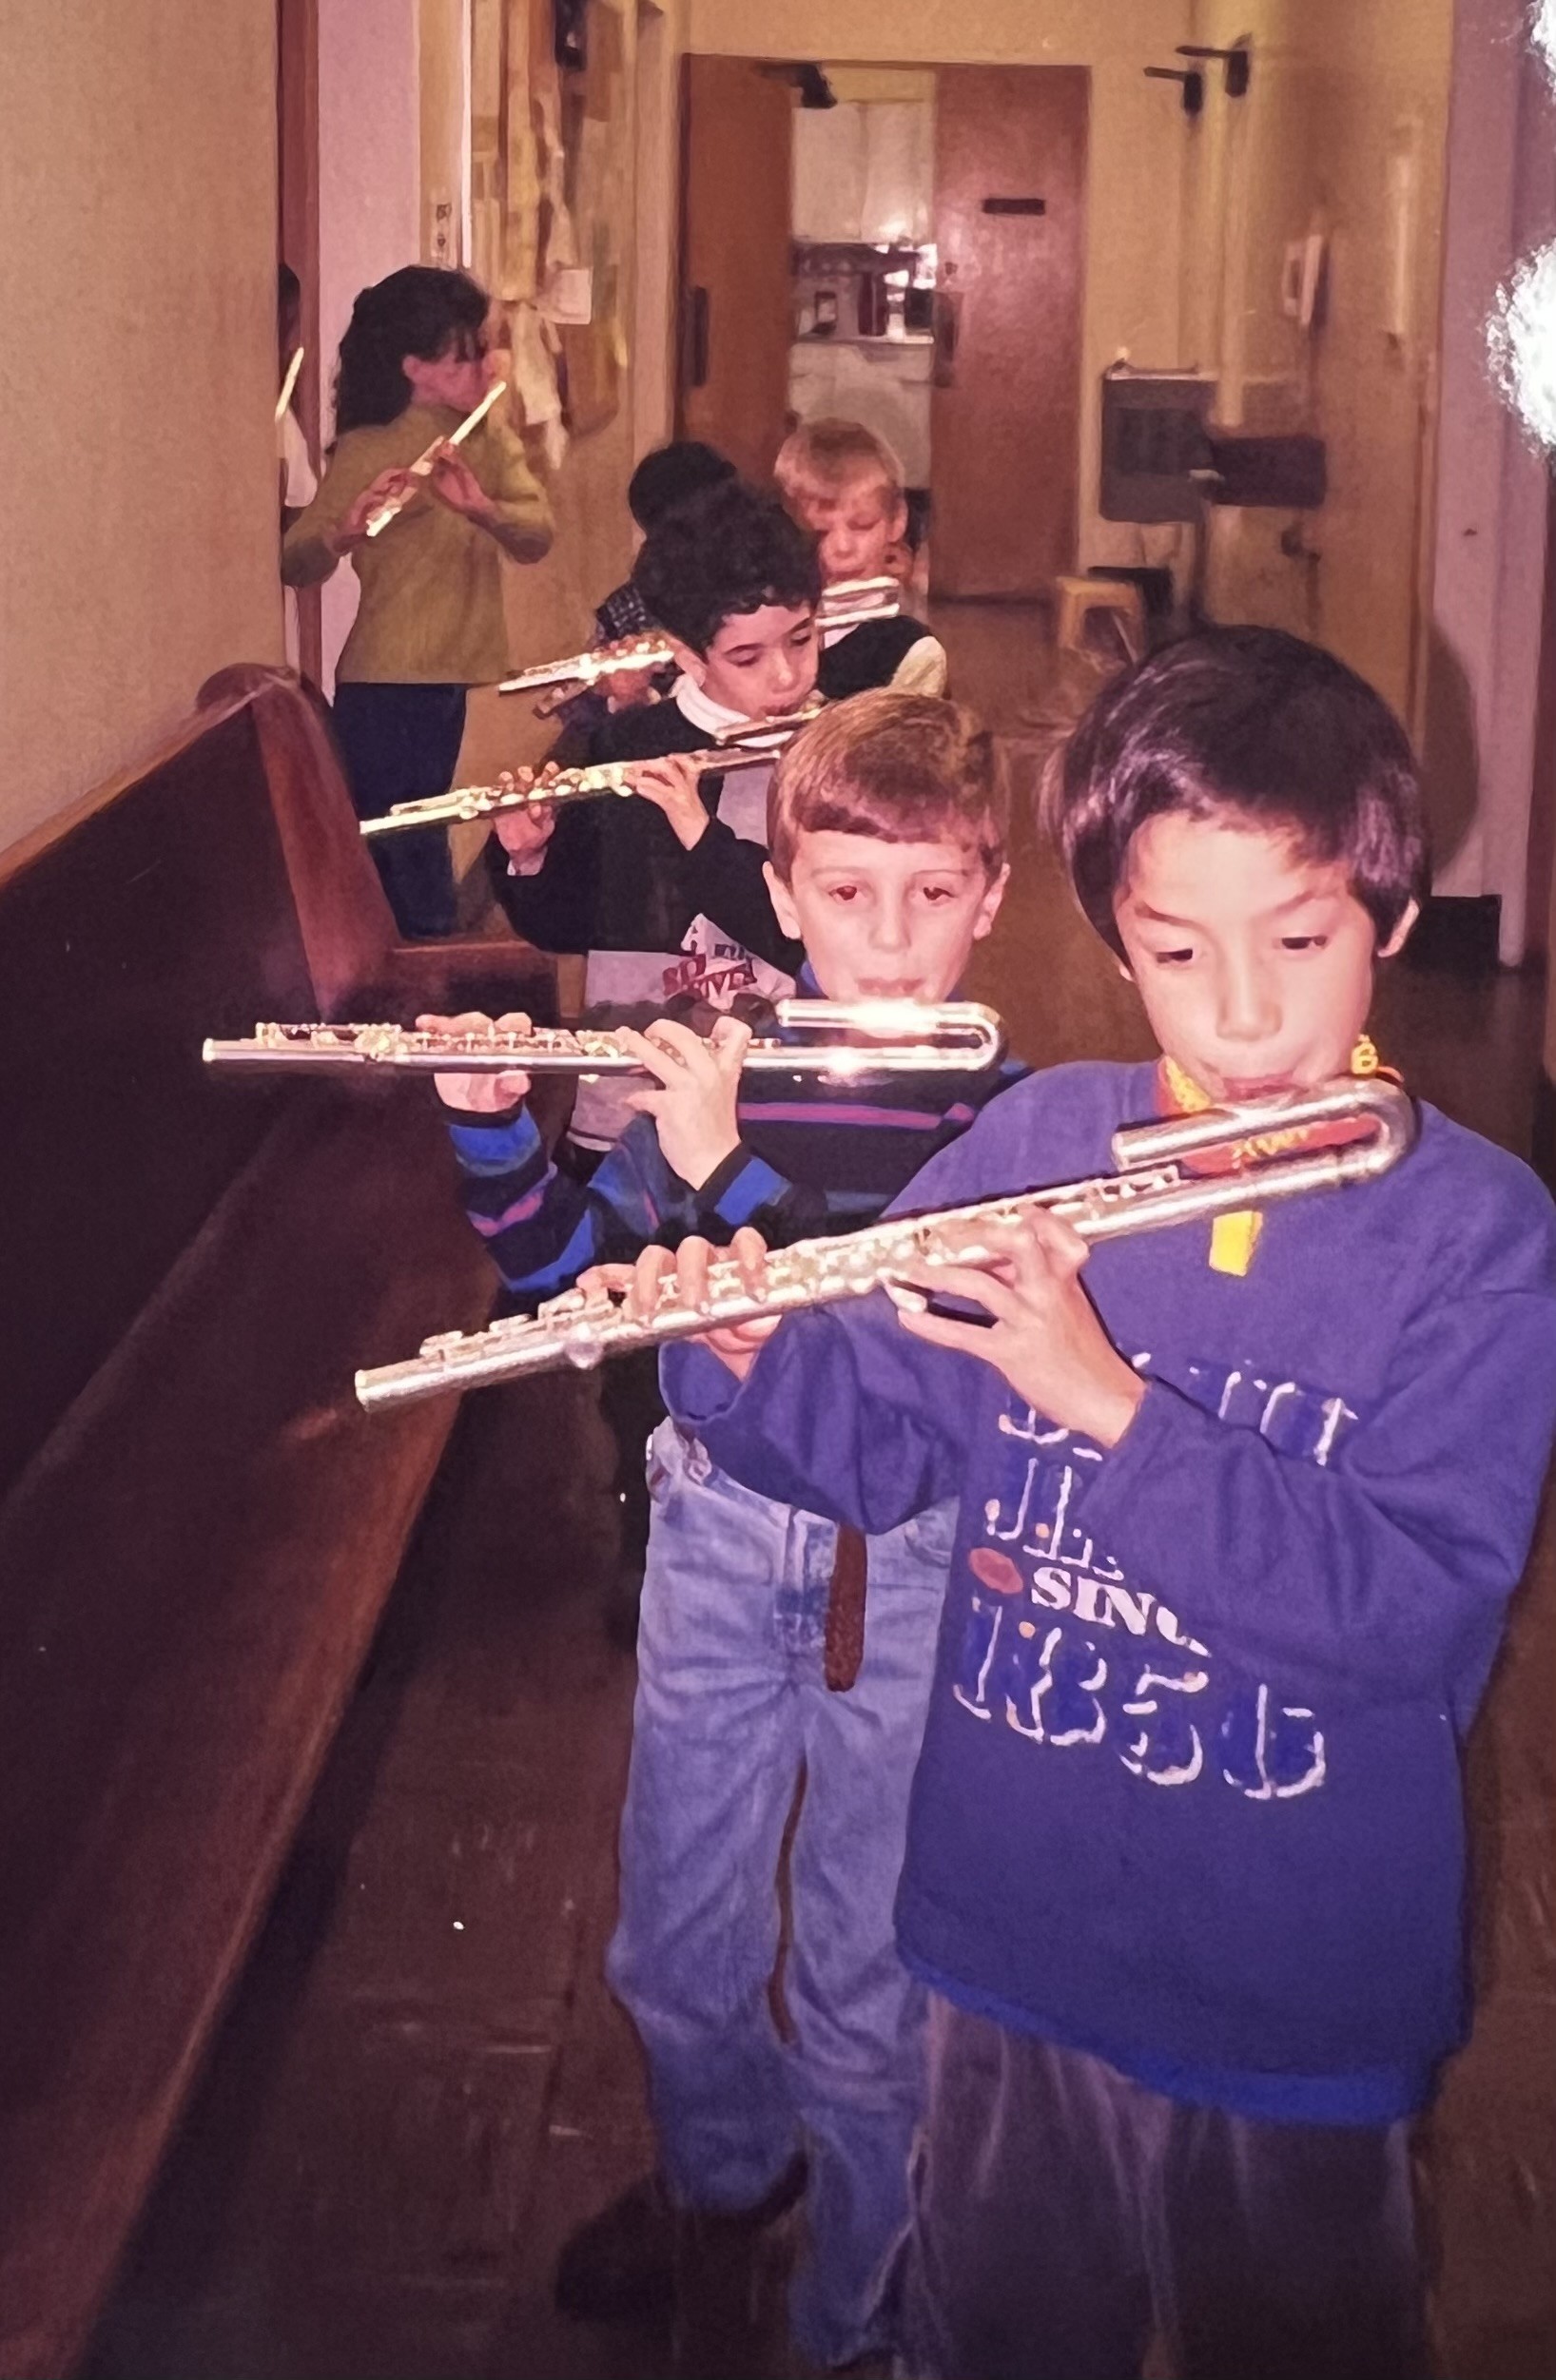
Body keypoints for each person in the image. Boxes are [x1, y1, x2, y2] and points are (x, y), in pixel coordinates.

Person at [644, 627, 1556, 2380]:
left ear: (1391, 918)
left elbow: (1412, 1606)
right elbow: (883, 1443)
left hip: (1293, 1972)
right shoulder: (1043, 1136)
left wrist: (1108, 1407)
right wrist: (747, 1354)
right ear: (1113, 941)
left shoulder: (1481, 1240)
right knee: (994, 2331)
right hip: (1011, 1931)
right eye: (1171, 947)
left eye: (1299, 940)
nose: (1240, 1007)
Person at [430, 691, 1018, 2374]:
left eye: (927, 895)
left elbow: (903, 1353)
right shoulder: (723, 1066)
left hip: (900, 1566)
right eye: (845, 894)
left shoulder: (1011, 1114)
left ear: (989, 892)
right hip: (709, 1536)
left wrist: (731, 1166)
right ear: (784, 884)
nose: (886, 940)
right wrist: (490, 1122)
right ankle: (724, 2179)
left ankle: (854, 2314)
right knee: (673, 1949)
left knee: (862, 1987)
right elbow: (560, 1278)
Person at [487, 477, 823, 1600]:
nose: (786, 676)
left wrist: (699, 828)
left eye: (802, 640)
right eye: (751, 655)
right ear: (682, 651)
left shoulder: (828, 758)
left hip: (762, 1102)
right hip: (628, 1105)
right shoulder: (629, 745)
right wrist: (529, 854)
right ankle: (651, 1539)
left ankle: (770, 1524)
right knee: (639, 1352)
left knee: (757, 1321)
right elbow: (570, 919)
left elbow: (800, 923)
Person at [282, 265, 553, 938]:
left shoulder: (487, 438)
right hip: (385, 672)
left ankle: (425, 957)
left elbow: (537, 536)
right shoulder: (373, 444)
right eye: (465, 354)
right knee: (393, 833)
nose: (486, 365)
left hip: (445, 673)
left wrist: (484, 509)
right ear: (415, 367)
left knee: (419, 824)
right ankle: (418, 960)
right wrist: (346, 528)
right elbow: (296, 560)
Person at [554, 440, 738, 736]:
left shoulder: (759, 585)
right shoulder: (627, 610)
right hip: (663, 749)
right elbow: (582, 723)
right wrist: (622, 695)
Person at [775, 418, 947, 700]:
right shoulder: (772, 628)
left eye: (863, 525)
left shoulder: (909, 648)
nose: (843, 548)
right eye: (819, 533)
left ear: (897, 520)